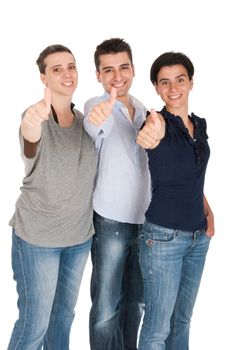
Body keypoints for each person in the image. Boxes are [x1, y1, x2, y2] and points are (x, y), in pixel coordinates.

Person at [8, 44, 97, 350]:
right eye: (56, 69)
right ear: (43, 78)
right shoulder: (36, 117)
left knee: (62, 319)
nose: (66, 74)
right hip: (38, 240)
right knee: (35, 324)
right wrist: (31, 122)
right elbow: (30, 139)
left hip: (78, 238)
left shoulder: (86, 122)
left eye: (71, 66)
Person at [136, 51, 215, 350]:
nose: (173, 88)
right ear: (156, 87)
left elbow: (191, 176)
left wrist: (208, 209)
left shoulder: (199, 126)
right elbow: (147, 137)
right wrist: (147, 135)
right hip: (163, 238)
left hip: (198, 237)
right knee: (157, 328)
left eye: (180, 80)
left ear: (191, 82)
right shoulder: (157, 123)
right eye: (164, 82)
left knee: (182, 321)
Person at [83, 38, 151, 350]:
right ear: (98, 75)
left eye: (123, 67)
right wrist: (99, 117)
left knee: (135, 304)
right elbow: (95, 125)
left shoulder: (145, 111)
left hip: (146, 221)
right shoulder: (96, 107)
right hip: (110, 220)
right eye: (108, 70)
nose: (117, 76)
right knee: (105, 308)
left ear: (133, 69)